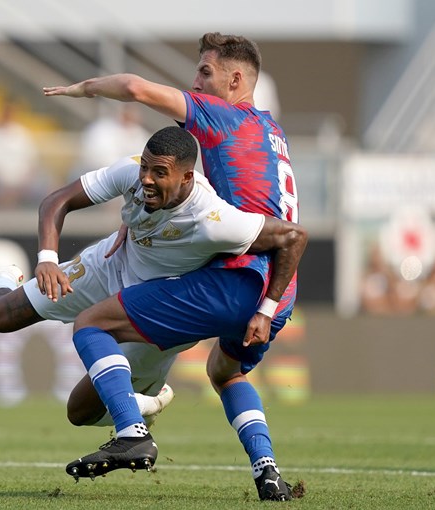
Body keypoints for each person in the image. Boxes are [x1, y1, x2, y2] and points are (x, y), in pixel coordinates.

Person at [43, 32, 304, 501]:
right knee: (225, 372)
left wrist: (83, 89)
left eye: (205, 72)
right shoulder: (271, 131)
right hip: (281, 288)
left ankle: (131, 431)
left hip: (239, 280)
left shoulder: (222, 116)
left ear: (236, 79)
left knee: (91, 322)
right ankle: (267, 471)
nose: (196, 83)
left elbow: (137, 88)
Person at [0, 126, 305, 434]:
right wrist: (46, 260)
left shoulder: (214, 219)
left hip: (153, 309)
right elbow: (57, 200)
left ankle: (150, 399)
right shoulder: (131, 173)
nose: (145, 179)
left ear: (186, 178)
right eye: (145, 167)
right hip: (107, 268)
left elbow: (292, 237)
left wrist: (267, 309)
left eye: (159, 173)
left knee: (80, 413)